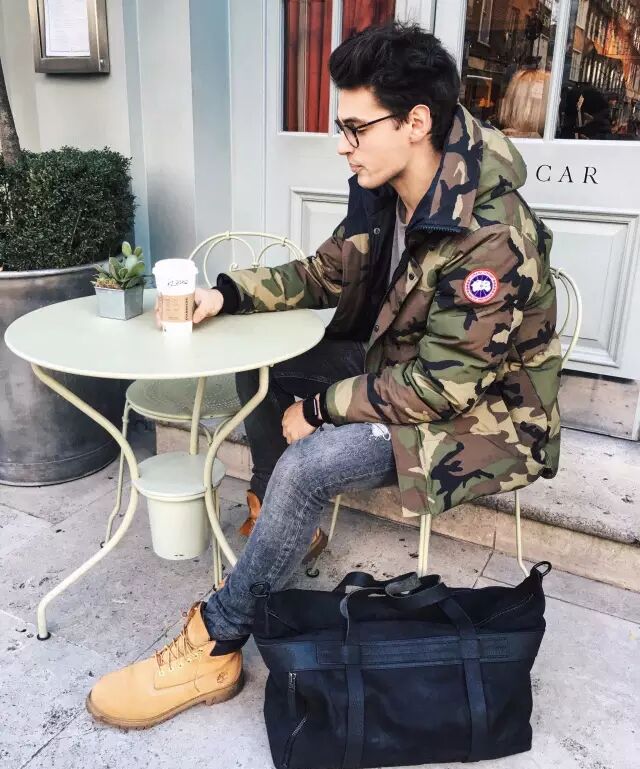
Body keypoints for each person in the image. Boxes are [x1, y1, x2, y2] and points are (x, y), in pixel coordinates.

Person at [86, 22, 561, 730]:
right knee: (264, 369)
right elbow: (324, 272)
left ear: (416, 122)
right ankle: (281, 525)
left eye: (354, 128)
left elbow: (444, 389)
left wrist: (321, 408)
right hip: (403, 368)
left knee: (310, 464)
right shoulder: (389, 189)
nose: (342, 144)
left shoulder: (491, 234)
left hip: (482, 417)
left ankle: (217, 641)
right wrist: (228, 294)